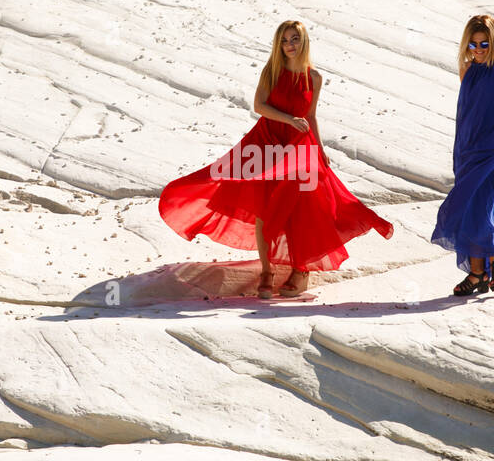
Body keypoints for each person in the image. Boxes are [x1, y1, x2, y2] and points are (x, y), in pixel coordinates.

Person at [159, 21, 393, 298]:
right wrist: (289, 120)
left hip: (297, 144)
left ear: (304, 42)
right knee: (262, 208)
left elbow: (311, 115)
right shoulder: (272, 71)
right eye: (284, 40)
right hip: (266, 141)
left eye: (294, 39)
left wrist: (318, 148)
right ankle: (267, 271)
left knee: (302, 205)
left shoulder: (314, 78)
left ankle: (300, 269)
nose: (289, 45)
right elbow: (259, 106)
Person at [431, 13, 494, 296]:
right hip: (467, 147)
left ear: (493, 42)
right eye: (473, 45)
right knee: (468, 205)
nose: (479, 50)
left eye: (484, 44)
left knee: (481, 203)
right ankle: (480, 272)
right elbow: (469, 112)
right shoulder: (467, 69)